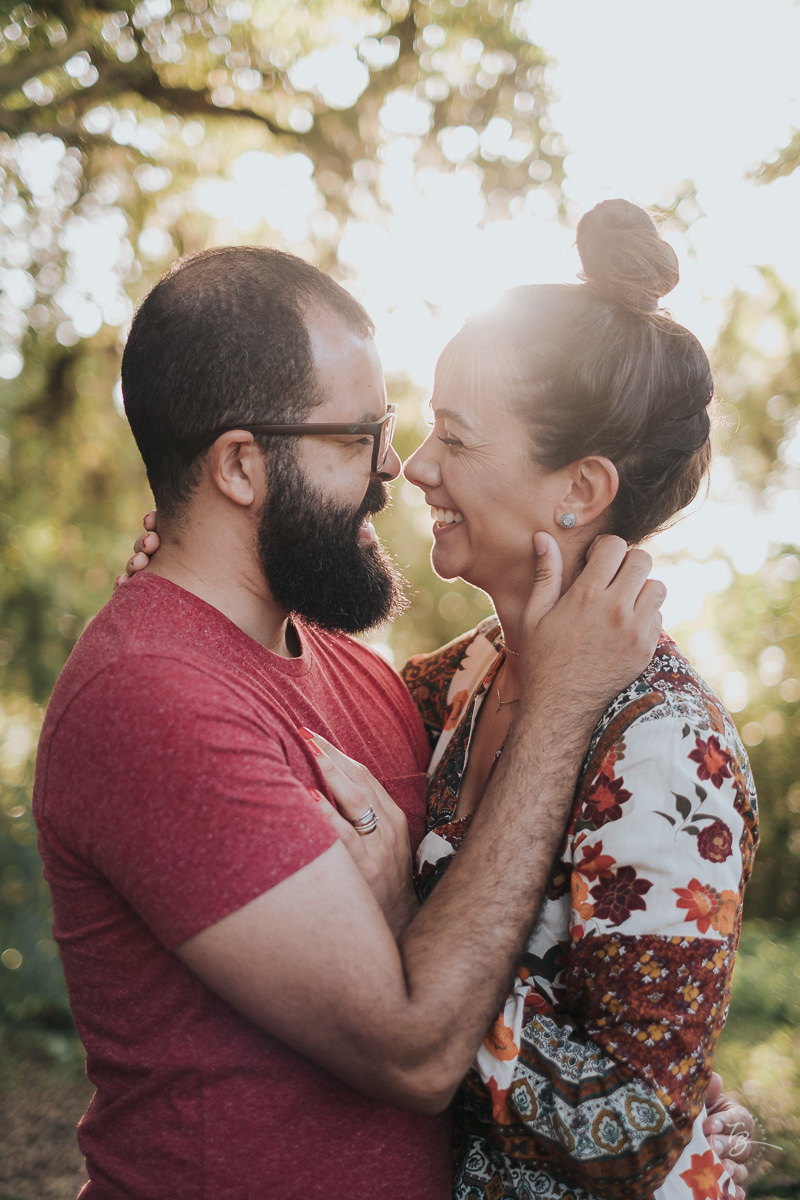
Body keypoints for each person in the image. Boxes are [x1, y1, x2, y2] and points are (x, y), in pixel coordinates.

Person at [121, 209, 756, 1200]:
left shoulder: (670, 754)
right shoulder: (447, 688)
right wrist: (201, 574)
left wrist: (404, 930)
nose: (411, 468)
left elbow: (628, 1129)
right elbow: (267, 702)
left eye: (452, 437)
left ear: (577, 489)